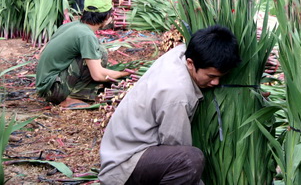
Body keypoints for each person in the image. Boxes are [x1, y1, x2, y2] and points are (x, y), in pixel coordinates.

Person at [99, 25, 241, 185]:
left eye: (221, 77)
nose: (215, 82)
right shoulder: (176, 92)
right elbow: (178, 150)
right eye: (211, 76)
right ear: (190, 63)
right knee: (190, 160)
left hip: (124, 151)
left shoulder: (182, 51)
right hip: (124, 165)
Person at [36, 0, 129, 108]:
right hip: (53, 90)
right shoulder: (86, 35)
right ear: (106, 17)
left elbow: (41, 54)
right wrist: (123, 73)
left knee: (98, 51)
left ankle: (73, 92)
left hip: (47, 85)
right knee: (100, 54)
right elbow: (98, 75)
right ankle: (74, 97)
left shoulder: (71, 26)